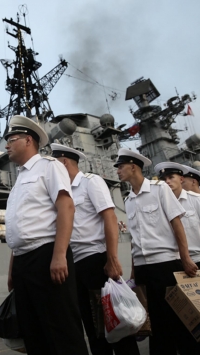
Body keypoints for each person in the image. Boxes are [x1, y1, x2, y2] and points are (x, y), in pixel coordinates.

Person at [4, 116, 88, 355]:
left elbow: (66, 207)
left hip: (46, 255)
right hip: (23, 262)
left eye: (12, 139)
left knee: (62, 330)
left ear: (28, 140)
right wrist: (13, 269)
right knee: (33, 333)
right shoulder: (19, 179)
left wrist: (59, 255)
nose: (7, 145)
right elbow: (19, 225)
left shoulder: (49, 167)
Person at [51, 143, 140, 355]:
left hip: (96, 260)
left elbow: (109, 217)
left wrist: (112, 258)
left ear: (64, 162)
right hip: (74, 264)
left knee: (116, 321)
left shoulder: (91, 182)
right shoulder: (60, 192)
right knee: (93, 327)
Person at [115, 149, 200, 355]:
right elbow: (134, 240)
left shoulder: (160, 189)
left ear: (133, 166)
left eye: (121, 167)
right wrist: (133, 272)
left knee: (179, 320)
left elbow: (177, 224)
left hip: (166, 264)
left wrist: (186, 258)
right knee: (156, 324)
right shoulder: (128, 201)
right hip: (144, 269)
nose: (118, 171)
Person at [154, 162, 200, 291]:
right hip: (177, 264)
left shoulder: (196, 199)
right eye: (164, 179)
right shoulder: (160, 205)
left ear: (181, 179)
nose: (167, 182)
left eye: (171, 177)